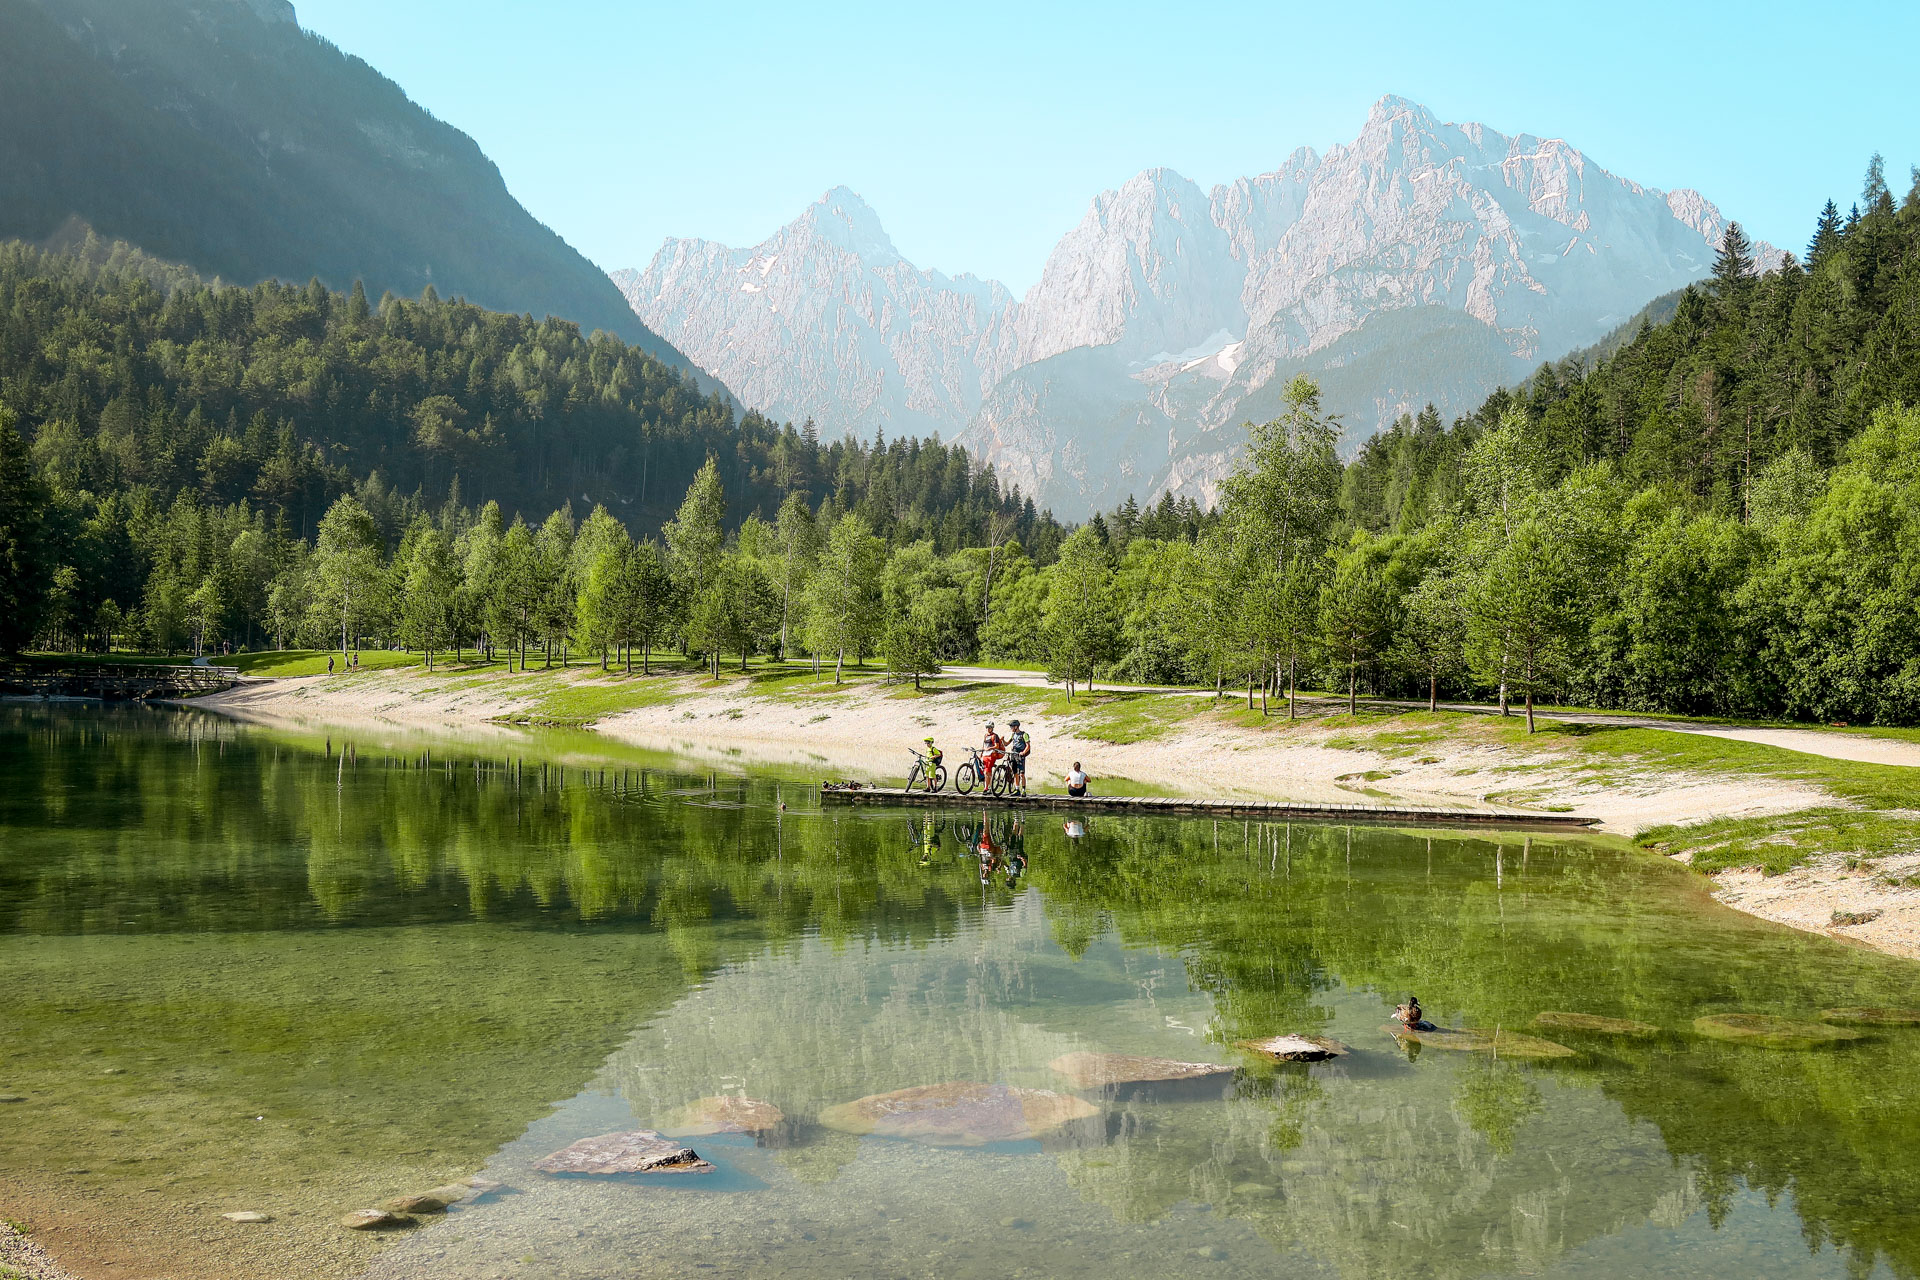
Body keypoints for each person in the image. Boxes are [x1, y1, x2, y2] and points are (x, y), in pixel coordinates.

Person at [1006, 720, 1032, 795]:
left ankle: (1023, 790)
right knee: (1015, 773)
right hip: (1014, 754)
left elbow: (1028, 746)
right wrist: (1002, 741)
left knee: (1022, 774)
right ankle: (1017, 789)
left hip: (1020, 755)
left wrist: (1023, 752)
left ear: (1016, 727)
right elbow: (1007, 743)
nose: (1010, 728)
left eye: (1011, 727)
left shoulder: (1024, 734)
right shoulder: (1013, 734)